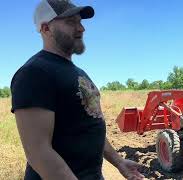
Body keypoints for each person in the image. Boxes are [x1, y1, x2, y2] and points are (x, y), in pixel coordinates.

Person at [10, 0, 145, 179]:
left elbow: (89, 125)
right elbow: (38, 152)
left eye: (80, 22)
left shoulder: (77, 72)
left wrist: (119, 162)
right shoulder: (34, 73)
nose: (81, 28)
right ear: (46, 29)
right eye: (70, 22)